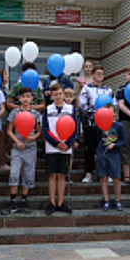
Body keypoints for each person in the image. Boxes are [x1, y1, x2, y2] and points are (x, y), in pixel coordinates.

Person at [1, 87, 42, 215]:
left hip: (30, 147)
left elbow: (39, 131)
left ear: (32, 98)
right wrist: (17, 141)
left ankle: (24, 201)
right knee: (14, 172)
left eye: (28, 96)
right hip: (17, 147)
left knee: (28, 173)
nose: (25, 99)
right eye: (23, 96)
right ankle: (13, 201)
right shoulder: (14, 113)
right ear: (19, 99)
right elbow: (9, 130)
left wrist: (33, 137)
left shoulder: (36, 114)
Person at [42, 84, 78, 215]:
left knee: (62, 175)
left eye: (60, 94)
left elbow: (75, 128)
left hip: (66, 148)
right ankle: (52, 202)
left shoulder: (71, 109)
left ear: (63, 94)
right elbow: (45, 130)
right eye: (55, 94)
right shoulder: (47, 109)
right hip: (52, 148)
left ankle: (60, 202)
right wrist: (57, 143)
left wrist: (68, 144)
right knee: (52, 175)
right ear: (51, 96)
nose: (58, 96)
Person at [79, 65, 115, 183]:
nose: (100, 76)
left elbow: (113, 105)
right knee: (90, 149)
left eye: (102, 74)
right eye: (98, 73)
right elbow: (82, 105)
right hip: (91, 124)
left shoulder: (108, 90)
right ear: (93, 75)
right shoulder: (86, 88)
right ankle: (88, 173)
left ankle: (106, 173)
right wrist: (96, 114)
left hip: (105, 125)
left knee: (106, 148)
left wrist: (106, 115)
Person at [96, 104, 127, 211]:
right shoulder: (99, 126)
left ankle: (118, 200)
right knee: (103, 177)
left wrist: (115, 145)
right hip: (102, 153)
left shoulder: (119, 126)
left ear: (115, 113)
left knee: (116, 178)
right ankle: (106, 200)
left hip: (114, 154)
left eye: (110, 112)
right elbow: (97, 139)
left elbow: (124, 141)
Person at [63, 88, 79, 184]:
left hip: (71, 136)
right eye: (67, 96)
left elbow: (76, 125)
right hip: (61, 135)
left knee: (70, 156)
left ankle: (68, 174)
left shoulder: (75, 110)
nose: (68, 99)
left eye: (70, 97)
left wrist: (75, 139)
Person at [0, 69, 11, 170]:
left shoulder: (4, 89)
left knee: (5, 138)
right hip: (2, 116)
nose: (7, 76)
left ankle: (3, 152)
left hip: (6, 116)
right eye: (5, 74)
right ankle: (2, 162)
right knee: (2, 139)